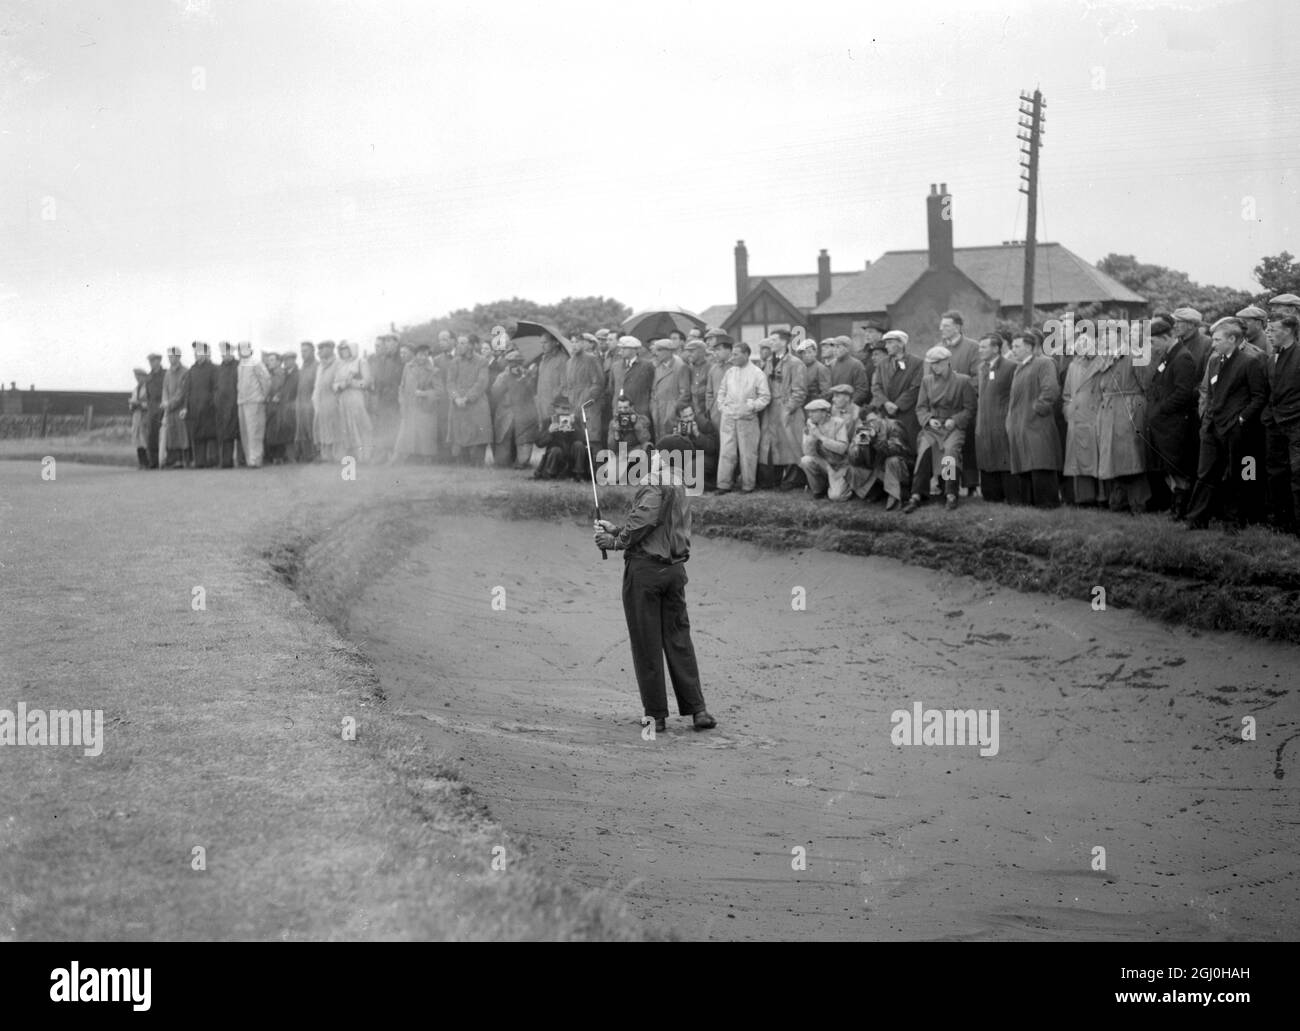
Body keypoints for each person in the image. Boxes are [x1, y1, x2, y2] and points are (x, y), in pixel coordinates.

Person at [593, 435, 716, 734]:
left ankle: (656, 715)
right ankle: (697, 710)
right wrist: (620, 529)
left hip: (646, 573)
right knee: (678, 640)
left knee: (647, 644)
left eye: (657, 453)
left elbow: (644, 522)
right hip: (674, 572)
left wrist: (614, 541)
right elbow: (654, 525)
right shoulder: (681, 483)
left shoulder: (654, 482)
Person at [1184, 318, 1269, 530]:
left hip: (1235, 429)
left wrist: (1241, 419)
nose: (1213, 344)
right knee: (1204, 474)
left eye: (1217, 340)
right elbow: (1211, 393)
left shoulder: (1250, 362)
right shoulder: (1214, 361)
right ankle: (1196, 520)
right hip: (1212, 426)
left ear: (1232, 339)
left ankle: (1234, 522)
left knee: (1236, 475)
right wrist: (1207, 418)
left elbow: (1259, 397)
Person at [903, 345, 975, 513]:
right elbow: (920, 407)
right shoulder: (927, 381)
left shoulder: (962, 381)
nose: (935, 367)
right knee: (924, 451)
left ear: (947, 362)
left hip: (952, 427)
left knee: (950, 453)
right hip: (933, 428)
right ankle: (917, 494)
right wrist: (929, 419)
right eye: (932, 364)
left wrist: (955, 420)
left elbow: (970, 408)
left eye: (938, 363)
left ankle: (950, 493)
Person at [1005, 329, 1062, 507]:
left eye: (1017, 346)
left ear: (1029, 347)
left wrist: (1037, 409)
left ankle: (1047, 505)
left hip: (1038, 424)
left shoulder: (1044, 363)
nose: (1013, 350)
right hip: (1021, 425)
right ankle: (1030, 506)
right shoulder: (1019, 368)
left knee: (1041, 462)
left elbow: (1050, 389)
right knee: (1026, 465)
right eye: (1012, 346)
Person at [714, 341, 770, 493]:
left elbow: (765, 397)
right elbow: (721, 392)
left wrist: (752, 406)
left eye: (736, 354)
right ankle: (723, 484)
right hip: (729, 417)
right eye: (732, 354)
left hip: (747, 419)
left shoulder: (757, 373)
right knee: (726, 451)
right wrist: (722, 407)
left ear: (746, 354)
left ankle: (748, 485)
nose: (733, 357)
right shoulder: (730, 372)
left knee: (748, 453)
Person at [757, 330, 808, 490]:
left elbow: (800, 391)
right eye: (770, 340)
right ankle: (774, 479)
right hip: (770, 410)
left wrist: (788, 409)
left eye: (774, 340)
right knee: (772, 445)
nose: (770, 343)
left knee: (791, 444)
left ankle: (793, 480)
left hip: (787, 411)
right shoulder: (767, 363)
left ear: (784, 342)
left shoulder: (795, 363)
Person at [1264, 313, 1300, 532]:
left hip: (1296, 423)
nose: (1269, 333)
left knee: (1298, 474)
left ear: (1288, 331)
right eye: (1267, 329)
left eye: (1273, 329)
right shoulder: (1272, 358)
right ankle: (1281, 522)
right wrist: (1268, 416)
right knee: (1275, 472)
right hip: (1275, 423)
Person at [973, 332, 1018, 503]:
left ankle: (1011, 496)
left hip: (1001, 422)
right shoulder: (981, 368)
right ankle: (991, 497)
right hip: (984, 423)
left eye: (984, 347)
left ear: (996, 348)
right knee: (987, 459)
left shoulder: (1010, 367)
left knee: (1004, 459)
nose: (980, 350)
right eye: (979, 347)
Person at [1061, 345, 1106, 505]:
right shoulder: (1073, 366)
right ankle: (1084, 498)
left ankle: (1102, 498)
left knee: (1097, 459)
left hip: (1095, 417)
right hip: (1077, 418)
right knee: (1080, 461)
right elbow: (1067, 393)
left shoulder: (1103, 363)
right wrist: (1068, 410)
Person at [847, 409, 914, 509]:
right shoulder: (863, 430)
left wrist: (875, 440)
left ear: (880, 416)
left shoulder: (894, 425)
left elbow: (898, 450)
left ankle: (899, 496)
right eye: (867, 422)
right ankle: (877, 492)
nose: (872, 424)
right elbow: (854, 460)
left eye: (874, 419)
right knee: (851, 468)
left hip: (902, 468)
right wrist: (858, 447)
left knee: (892, 461)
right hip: (877, 469)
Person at [870, 330, 923, 449]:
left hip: (906, 414)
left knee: (906, 447)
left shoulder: (916, 363)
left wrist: (897, 405)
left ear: (901, 344)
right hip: (886, 413)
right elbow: (876, 387)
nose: (886, 346)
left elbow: (916, 388)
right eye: (886, 343)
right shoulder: (883, 364)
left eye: (890, 343)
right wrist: (886, 403)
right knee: (885, 447)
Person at [446, 334, 493, 464]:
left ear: (471, 345)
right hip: (458, 406)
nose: (459, 346)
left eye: (463, 343)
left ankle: (477, 463)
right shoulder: (454, 362)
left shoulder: (482, 361)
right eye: (458, 343)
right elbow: (450, 383)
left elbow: (481, 383)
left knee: (477, 438)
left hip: (476, 405)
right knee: (459, 440)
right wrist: (456, 398)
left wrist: (467, 398)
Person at [393, 344, 442, 464]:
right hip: (409, 407)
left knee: (425, 437)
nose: (423, 357)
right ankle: (401, 459)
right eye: (420, 354)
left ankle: (427, 459)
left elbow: (440, 392)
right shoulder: (407, 367)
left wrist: (424, 393)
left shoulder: (434, 371)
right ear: (415, 355)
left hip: (425, 408)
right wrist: (402, 401)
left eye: (426, 354)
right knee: (406, 435)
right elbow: (402, 386)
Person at [798, 398, 853, 500]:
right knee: (805, 460)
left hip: (838, 464)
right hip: (823, 463)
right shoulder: (811, 426)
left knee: (837, 497)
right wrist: (811, 436)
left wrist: (820, 436)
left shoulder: (838, 423)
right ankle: (819, 490)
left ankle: (842, 485)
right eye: (809, 412)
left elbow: (842, 448)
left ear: (824, 413)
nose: (810, 415)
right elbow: (807, 452)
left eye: (813, 412)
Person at [333, 341, 374, 462]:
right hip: (343, 398)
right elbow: (335, 384)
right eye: (342, 350)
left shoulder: (361, 362)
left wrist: (352, 383)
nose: (344, 352)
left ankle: (365, 455)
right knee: (347, 426)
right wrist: (341, 385)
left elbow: (366, 382)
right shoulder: (340, 365)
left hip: (357, 396)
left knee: (360, 424)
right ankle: (352, 455)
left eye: (346, 349)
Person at [236, 342, 271, 467]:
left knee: (254, 431)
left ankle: (256, 458)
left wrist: (263, 396)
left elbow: (266, 379)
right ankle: (249, 458)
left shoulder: (256, 363)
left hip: (254, 401)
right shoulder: (240, 365)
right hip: (242, 401)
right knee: (245, 432)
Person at [648, 339, 691, 441]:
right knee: (659, 440)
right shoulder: (658, 366)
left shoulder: (680, 367)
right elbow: (654, 389)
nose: (655, 353)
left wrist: (673, 410)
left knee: (671, 441)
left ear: (669, 351)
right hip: (657, 410)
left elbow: (685, 393)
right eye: (655, 350)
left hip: (671, 413)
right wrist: (652, 406)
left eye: (659, 350)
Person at [533, 393, 582, 480]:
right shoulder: (548, 421)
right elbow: (539, 443)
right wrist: (549, 431)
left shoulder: (575, 420)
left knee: (579, 445)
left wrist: (574, 425)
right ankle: (550, 474)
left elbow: (584, 440)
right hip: (555, 457)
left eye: (568, 409)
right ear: (556, 408)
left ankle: (578, 474)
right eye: (563, 408)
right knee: (556, 450)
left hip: (571, 457)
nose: (566, 411)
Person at [607, 392, 653, 482]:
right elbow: (611, 448)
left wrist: (636, 424)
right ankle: (627, 475)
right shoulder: (614, 422)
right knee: (611, 478)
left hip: (636, 451)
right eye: (620, 408)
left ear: (632, 407)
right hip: (621, 453)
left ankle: (645, 477)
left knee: (648, 446)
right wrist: (616, 432)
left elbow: (646, 439)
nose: (623, 410)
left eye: (625, 407)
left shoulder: (641, 419)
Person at [160, 346, 190, 469]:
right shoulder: (167, 373)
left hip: (179, 408)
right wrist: (165, 402)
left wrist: (170, 403)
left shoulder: (185, 372)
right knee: (170, 434)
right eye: (170, 357)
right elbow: (165, 389)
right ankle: (173, 460)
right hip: (169, 409)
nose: (171, 359)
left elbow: (181, 392)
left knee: (181, 434)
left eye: (173, 357)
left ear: (178, 357)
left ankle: (184, 460)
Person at [534, 332, 569, 432]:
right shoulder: (542, 360)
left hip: (555, 409)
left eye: (545, 342)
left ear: (555, 342)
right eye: (541, 343)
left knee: (557, 440)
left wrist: (553, 401)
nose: (542, 346)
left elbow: (565, 386)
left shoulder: (563, 359)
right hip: (542, 409)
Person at [214, 341, 242, 468]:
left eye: (227, 352)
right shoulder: (220, 369)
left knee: (239, 433)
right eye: (222, 353)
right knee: (225, 434)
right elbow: (216, 386)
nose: (224, 355)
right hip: (222, 406)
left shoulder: (238, 366)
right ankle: (226, 461)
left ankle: (242, 460)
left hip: (235, 403)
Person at [312, 341, 340, 462]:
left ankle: (337, 455)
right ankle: (325, 455)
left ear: (331, 349)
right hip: (320, 401)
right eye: (320, 349)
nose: (320, 351)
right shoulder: (320, 366)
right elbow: (317, 385)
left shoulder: (338, 363)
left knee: (335, 428)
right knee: (322, 429)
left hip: (333, 399)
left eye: (323, 348)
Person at [826, 335, 871, 406]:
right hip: (834, 406)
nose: (834, 350)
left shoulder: (857, 365)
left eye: (838, 347)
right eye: (833, 347)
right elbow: (829, 388)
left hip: (850, 407)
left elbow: (862, 389)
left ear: (847, 348)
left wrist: (850, 404)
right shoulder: (832, 364)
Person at [295, 341, 318, 462]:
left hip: (311, 402)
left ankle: (316, 455)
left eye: (305, 351)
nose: (303, 354)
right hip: (301, 402)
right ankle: (307, 455)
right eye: (302, 351)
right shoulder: (303, 367)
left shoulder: (317, 366)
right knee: (302, 429)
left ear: (313, 351)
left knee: (312, 428)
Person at [144, 352, 164, 469]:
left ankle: (163, 460)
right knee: (152, 436)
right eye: (150, 361)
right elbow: (147, 394)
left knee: (162, 435)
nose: (152, 363)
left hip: (162, 406)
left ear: (159, 361)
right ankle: (153, 461)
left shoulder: (165, 374)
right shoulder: (148, 377)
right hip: (152, 408)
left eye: (154, 361)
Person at [128, 367, 149, 469]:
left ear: (144, 377)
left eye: (140, 377)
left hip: (144, 415)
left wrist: (140, 404)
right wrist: (132, 405)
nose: (138, 379)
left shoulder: (148, 388)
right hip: (136, 415)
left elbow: (149, 403)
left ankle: (146, 462)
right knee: (137, 439)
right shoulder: (135, 389)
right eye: (136, 377)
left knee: (144, 439)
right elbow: (132, 403)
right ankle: (141, 462)